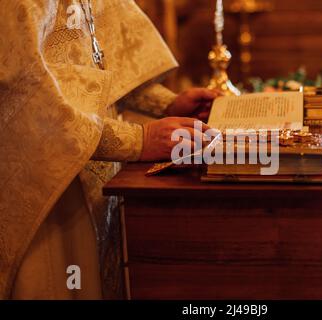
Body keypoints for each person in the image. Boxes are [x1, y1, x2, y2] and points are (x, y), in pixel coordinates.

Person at [0, 0, 218, 299]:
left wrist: (165, 103)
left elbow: (101, 53)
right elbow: (28, 95)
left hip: (94, 168)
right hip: (49, 182)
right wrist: (137, 140)